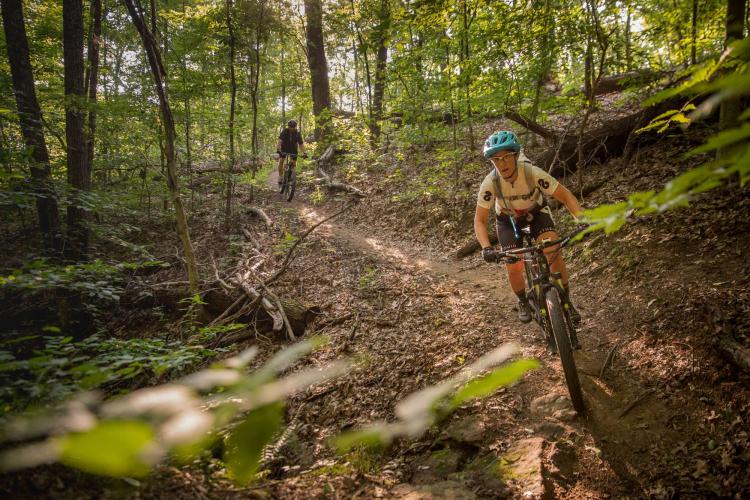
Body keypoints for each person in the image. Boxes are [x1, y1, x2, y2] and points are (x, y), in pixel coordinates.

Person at [473, 130, 585, 330]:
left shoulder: (531, 172)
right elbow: (480, 220)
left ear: (516, 155)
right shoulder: (490, 183)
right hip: (508, 221)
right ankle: (523, 300)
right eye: (496, 160)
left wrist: (582, 220)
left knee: (552, 250)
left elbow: (565, 196)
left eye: (506, 157)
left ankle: (567, 302)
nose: (502, 163)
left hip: (536, 213)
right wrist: (486, 247)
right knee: (513, 264)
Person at [276, 120, 307, 185]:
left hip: (293, 149)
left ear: (295, 127)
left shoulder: (297, 133)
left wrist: (304, 152)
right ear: (288, 127)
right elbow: (280, 140)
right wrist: (278, 149)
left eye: (293, 127)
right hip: (284, 148)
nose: (292, 128)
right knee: (281, 161)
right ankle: (280, 177)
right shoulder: (285, 131)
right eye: (290, 127)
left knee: (293, 163)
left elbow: (301, 144)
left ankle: (291, 175)